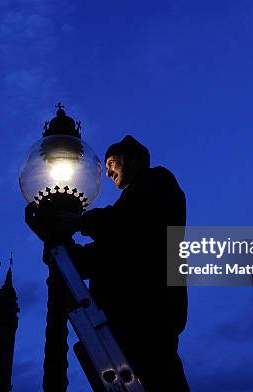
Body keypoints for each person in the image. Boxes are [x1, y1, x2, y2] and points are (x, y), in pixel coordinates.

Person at [59, 135, 190, 391]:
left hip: (147, 312)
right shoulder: (136, 200)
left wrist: (79, 222)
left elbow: (126, 225)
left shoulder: (158, 182)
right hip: (129, 318)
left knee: (160, 378)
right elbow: (115, 248)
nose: (108, 172)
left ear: (135, 159)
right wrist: (71, 255)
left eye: (111, 163)